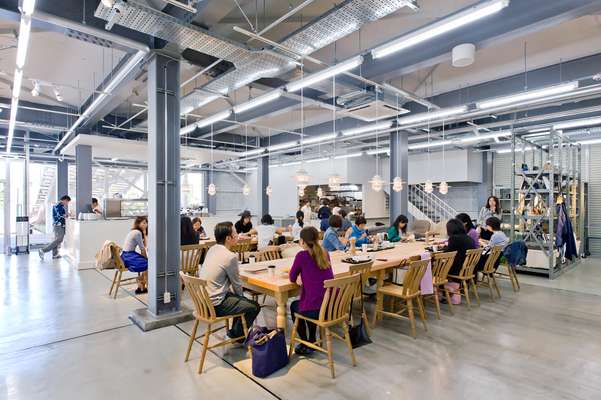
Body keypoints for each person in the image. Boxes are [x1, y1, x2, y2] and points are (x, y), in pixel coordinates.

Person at [199, 222, 260, 340]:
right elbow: (236, 285)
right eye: (235, 233)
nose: (238, 235)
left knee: (240, 300)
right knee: (253, 306)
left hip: (203, 302)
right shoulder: (230, 256)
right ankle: (235, 336)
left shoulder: (212, 249)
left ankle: (237, 334)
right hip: (215, 305)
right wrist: (242, 299)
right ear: (228, 238)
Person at [289, 226, 334, 355]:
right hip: (331, 307)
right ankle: (312, 340)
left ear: (302, 241)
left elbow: (292, 277)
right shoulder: (325, 252)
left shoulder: (301, 255)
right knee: (311, 301)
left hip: (319, 310)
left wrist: (299, 277)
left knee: (295, 306)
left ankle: (305, 343)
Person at [120, 216, 149, 294]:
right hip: (128, 256)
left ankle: (141, 285)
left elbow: (144, 246)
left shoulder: (136, 231)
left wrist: (144, 233)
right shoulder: (137, 233)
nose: (146, 225)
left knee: (147, 263)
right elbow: (142, 249)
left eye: (146, 223)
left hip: (125, 255)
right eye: (143, 223)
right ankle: (142, 283)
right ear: (138, 223)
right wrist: (146, 259)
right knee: (149, 264)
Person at [39, 195, 71, 260]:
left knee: (56, 240)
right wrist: (67, 215)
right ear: (65, 200)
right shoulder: (58, 205)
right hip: (58, 225)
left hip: (59, 225)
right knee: (59, 239)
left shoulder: (60, 206)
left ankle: (55, 254)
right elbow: (59, 215)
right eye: (67, 202)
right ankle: (43, 250)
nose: (67, 203)